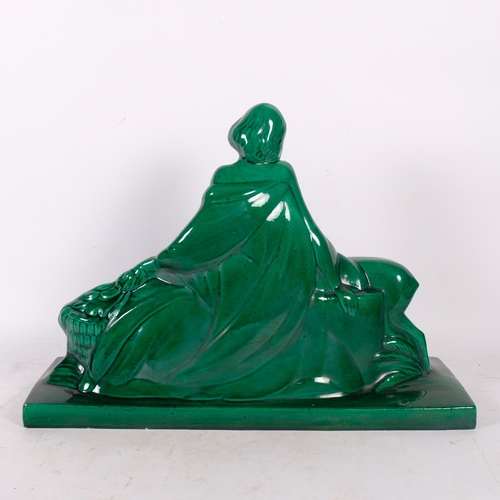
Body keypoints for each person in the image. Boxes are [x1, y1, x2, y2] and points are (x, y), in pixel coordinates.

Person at [49, 103, 429, 400]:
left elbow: (195, 244)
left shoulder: (233, 179)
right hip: (284, 283)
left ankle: (111, 370)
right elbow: (310, 234)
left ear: (243, 136)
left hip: (234, 284)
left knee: (154, 305)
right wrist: (332, 274)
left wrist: (157, 265)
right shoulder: (282, 176)